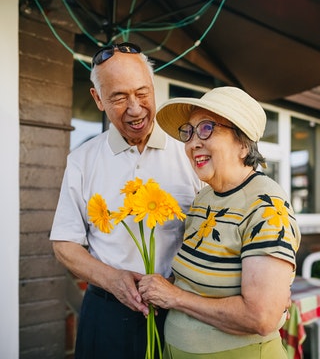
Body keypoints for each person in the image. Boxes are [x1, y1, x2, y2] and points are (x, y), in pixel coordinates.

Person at [49, 42, 203, 359]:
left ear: (154, 87)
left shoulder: (191, 152)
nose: (135, 108)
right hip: (106, 313)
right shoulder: (82, 160)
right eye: (119, 97)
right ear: (98, 99)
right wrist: (114, 280)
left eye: (142, 92)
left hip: (180, 313)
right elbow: (64, 243)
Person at [138, 86, 301, 358]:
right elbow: (198, 279)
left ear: (242, 143)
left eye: (206, 128)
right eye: (188, 132)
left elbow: (260, 318)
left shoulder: (266, 205)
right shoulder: (204, 197)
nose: (192, 143)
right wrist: (158, 286)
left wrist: (174, 297)